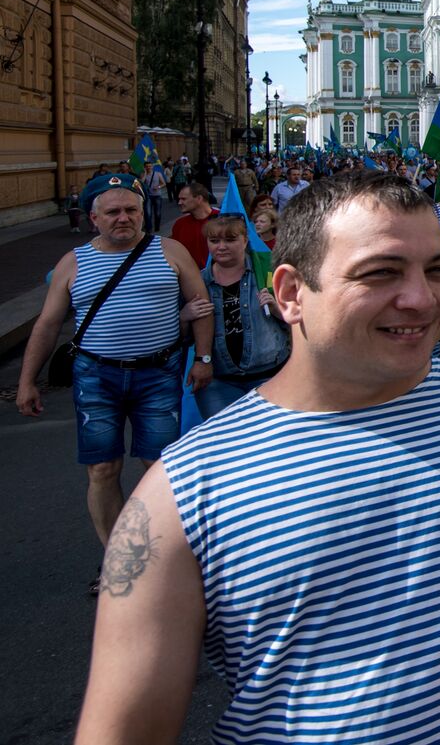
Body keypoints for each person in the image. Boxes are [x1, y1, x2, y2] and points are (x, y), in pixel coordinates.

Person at [73, 170, 440, 742]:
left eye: (437, 270)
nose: (423, 300)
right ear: (292, 293)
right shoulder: (181, 490)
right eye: (380, 273)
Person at [16, 173, 212, 595]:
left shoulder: (170, 250)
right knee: (103, 469)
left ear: (143, 213)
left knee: (161, 471)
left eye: (131, 210)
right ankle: (119, 562)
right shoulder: (73, 263)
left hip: (158, 373)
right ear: (93, 218)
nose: (124, 218)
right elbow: (49, 324)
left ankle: (173, 561)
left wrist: (204, 358)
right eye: (113, 212)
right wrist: (26, 380)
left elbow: (202, 305)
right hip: (96, 376)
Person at [178, 215, 291, 420]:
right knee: (225, 445)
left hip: (270, 376)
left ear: (245, 240)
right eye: (214, 241)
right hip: (219, 382)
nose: (221, 246)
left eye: (230, 240)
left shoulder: (266, 273)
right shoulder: (197, 281)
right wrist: (184, 317)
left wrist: (278, 311)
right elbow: (181, 339)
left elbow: (302, 321)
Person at [170, 183, 219, 267]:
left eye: (183, 199)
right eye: (179, 199)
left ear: (199, 198)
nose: (179, 202)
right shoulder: (179, 224)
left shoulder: (223, 220)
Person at [142, 164, 167, 233]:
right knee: (148, 213)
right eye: (147, 166)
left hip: (157, 196)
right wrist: (145, 173)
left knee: (157, 213)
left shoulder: (158, 174)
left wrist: (158, 187)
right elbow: (141, 183)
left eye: (150, 166)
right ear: (145, 167)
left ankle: (157, 227)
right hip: (148, 196)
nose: (148, 167)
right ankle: (149, 228)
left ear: (152, 167)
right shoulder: (144, 175)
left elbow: (164, 183)